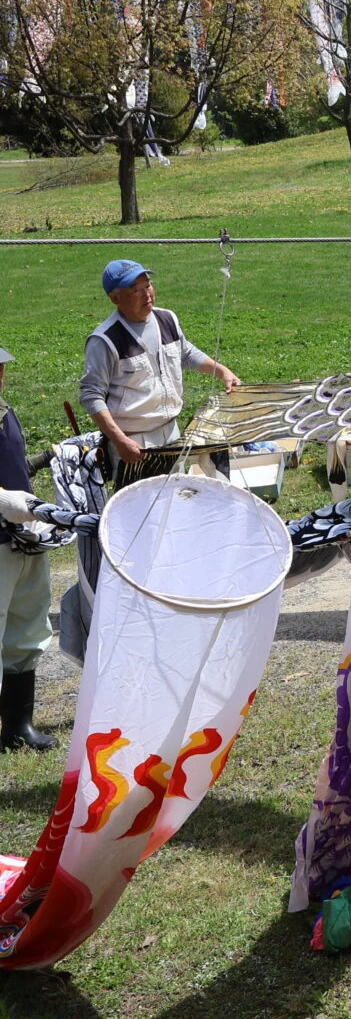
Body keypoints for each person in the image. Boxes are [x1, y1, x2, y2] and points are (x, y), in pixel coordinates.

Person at [79, 260, 240, 476]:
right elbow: (91, 395)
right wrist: (119, 440)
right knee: (141, 498)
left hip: (171, 434)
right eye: (135, 290)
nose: (147, 294)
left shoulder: (167, 319)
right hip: (134, 444)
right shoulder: (104, 340)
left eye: (148, 286)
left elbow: (186, 353)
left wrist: (222, 371)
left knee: (176, 493)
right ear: (115, 298)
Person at [0, 345, 56, 751]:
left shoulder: (4, 410)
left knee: (27, 629)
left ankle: (18, 727)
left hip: (23, 538)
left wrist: (46, 458)